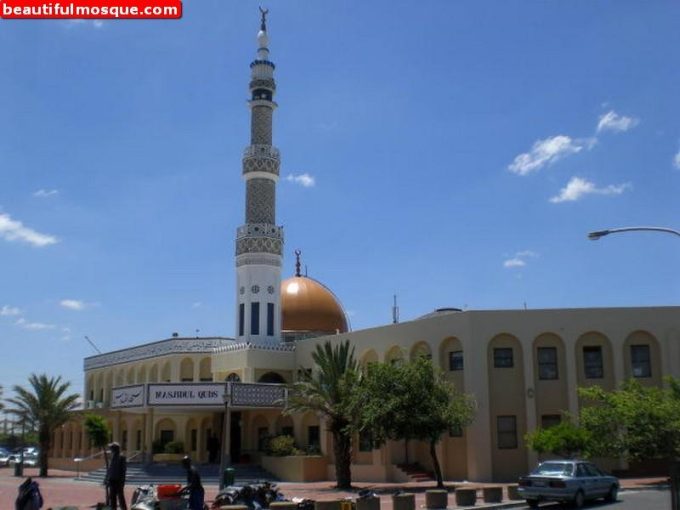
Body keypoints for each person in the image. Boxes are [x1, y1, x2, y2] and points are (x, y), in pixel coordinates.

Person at [105, 442, 127, 510]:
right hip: (112, 480)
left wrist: (122, 481)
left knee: (121, 497)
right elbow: (110, 469)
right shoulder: (112, 457)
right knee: (112, 497)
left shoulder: (121, 457)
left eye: (111, 448)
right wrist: (107, 479)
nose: (110, 450)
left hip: (118, 481)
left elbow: (123, 470)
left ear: (115, 449)